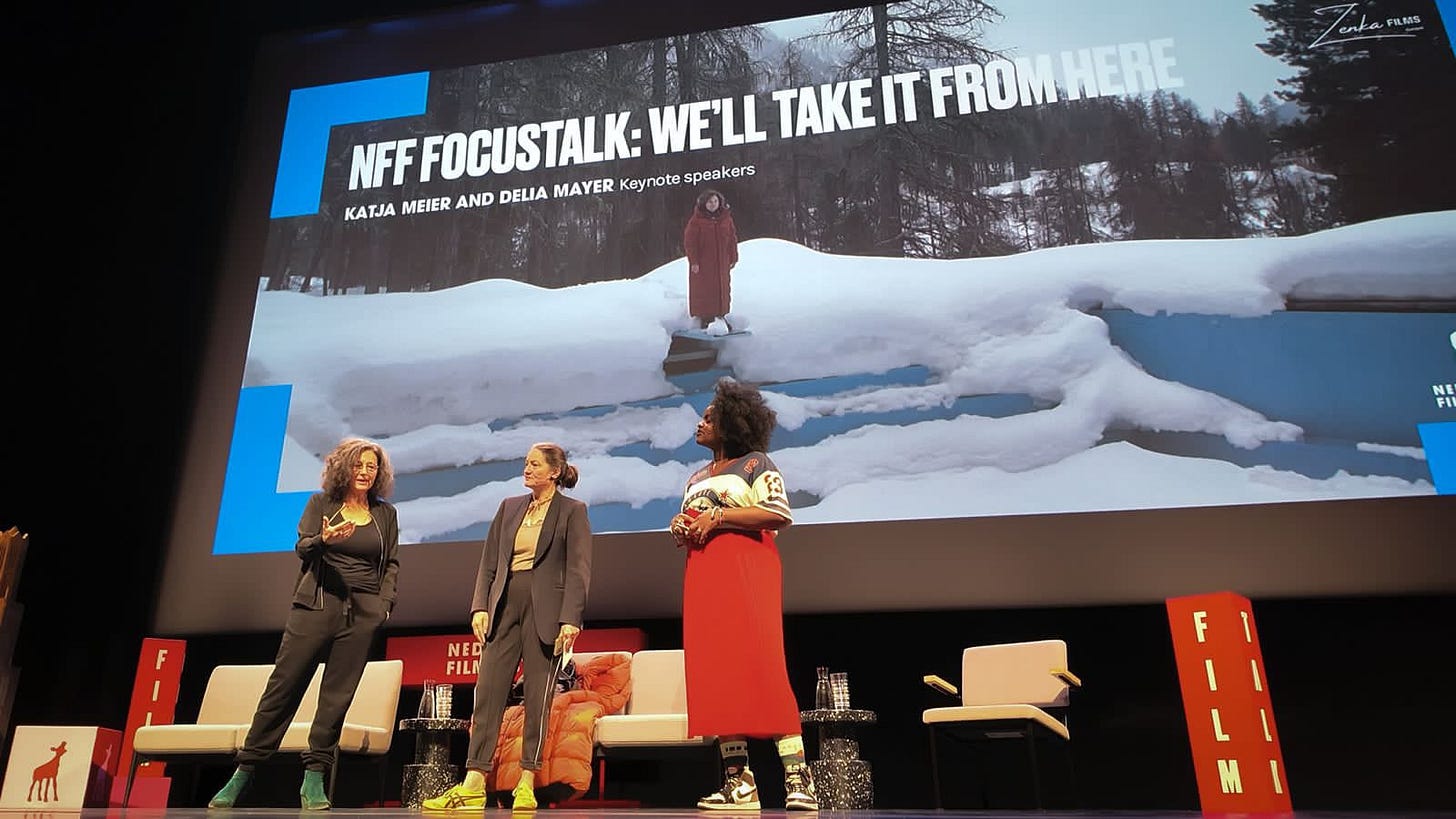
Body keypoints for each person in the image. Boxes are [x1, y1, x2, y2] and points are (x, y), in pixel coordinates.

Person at [208, 437, 400, 810]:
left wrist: (384, 605)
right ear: (344, 467)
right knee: (284, 686)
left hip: (363, 613)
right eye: (358, 465)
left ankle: (314, 776)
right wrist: (324, 539)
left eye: (372, 466)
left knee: (337, 696)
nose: (365, 472)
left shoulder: (385, 514)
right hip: (317, 604)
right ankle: (245, 770)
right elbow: (303, 548)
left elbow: (391, 562)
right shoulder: (321, 504)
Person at [670, 379, 818, 811]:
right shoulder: (697, 476)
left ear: (731, 423)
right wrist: (682, 525)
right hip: (703, 575)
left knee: (763, 665)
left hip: (747, 571)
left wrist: (719, 517)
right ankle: (740, 782)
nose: (700, 424)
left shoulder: (755, 464)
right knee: (715, 672)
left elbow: (777, 512)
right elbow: (694, 518)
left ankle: (798, 777)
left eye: (709, 418)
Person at [423, 443, 592, 812]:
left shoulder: (572, 511)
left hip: (547, 611)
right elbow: (489, 563)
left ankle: (527, 780)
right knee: (488, 693)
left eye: (535, 464)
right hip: (504, 604)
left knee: (537, 698)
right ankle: (473, 781)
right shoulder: (509, 507)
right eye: (526, 463)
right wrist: (480, 606)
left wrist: (571, 618)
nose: (527, 469)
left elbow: (578, 569)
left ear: (554, 472)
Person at [682, 188, 740, 332]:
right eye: (710, 202)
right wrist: (694, 261)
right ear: (704, 204)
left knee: (722, 288)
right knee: (704, 289)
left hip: (722, 262)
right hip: (704, 263)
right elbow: (690, 242)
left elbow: (732, 239)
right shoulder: (696, 221)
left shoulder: (726, 219)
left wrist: (733, 257)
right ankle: (705, 318)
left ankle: (721, 315)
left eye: (715, 201)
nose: (713, 204)